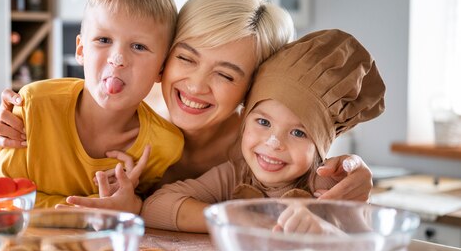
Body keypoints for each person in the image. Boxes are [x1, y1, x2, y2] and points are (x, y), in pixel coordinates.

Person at [0, 0, 375, 211]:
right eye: (185, 58)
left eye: (225, 74)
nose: (195, 85)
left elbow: (321, 183)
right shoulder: (127, 109)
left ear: (254, 86)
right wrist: (10, 132)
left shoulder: (257, 149)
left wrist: (352, 174)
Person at [141, 29, 386, 232]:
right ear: (245, 118)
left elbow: (364, 245)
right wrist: (242, 219)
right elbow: (155, 208)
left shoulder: (325, 181)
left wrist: (326, 231)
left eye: (299, 133)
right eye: (264, 122)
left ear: (320, 146)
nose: (273, 142)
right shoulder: (235, 174)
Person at [0, 0, 184, 211]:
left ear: (162, 68)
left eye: (138, 46)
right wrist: (92, 209)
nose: (118, 59)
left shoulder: (165, 147)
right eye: (103, 40)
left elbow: (150, 217)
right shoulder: (34, 105)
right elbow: (2, 200)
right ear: (81, 49)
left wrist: (133, 204)